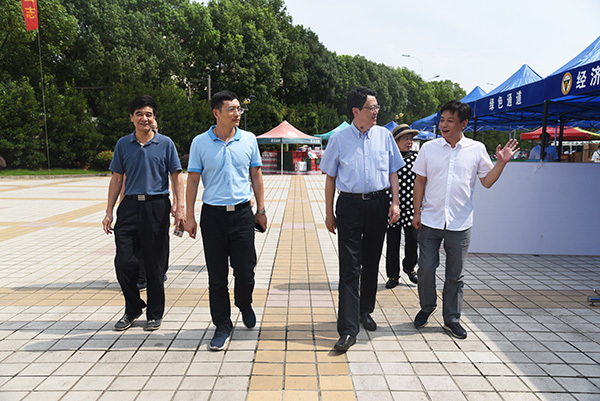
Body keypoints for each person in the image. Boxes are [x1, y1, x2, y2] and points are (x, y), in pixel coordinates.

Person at [411, 100, 518, 339]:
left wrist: (501, 163)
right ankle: (427, 306)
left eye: (450, 121)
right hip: (430, 219)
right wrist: (417, 212)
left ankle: (452, 318)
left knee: (455, 275)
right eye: (442, 120)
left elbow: (487, 181)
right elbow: (420, 181)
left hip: (460, 223)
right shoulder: (429, 148)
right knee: (426, 269)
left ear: (464, 124)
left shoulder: (476, 149)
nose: (444, 125)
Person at [320, 87, 404, 352]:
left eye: (377, 107)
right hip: (349, 206)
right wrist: (329, 212)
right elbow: (330, 177)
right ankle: (347, 329)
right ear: (356, 111)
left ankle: (365, 310)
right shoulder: (339, 139)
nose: (376, 111)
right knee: (349, 267)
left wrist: (395, 202)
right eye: (371, 107)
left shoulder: (384, 136)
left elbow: (393, 171)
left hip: (379, 204)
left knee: (371, 262)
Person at [184, 90, 267, 351]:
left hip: (242, 214)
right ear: (216, 113)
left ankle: (244, 303)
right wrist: (189, 216)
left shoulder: (248, 139)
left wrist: (261, 209)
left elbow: (256, 175)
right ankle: (222, 324)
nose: (237, 113)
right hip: (213, 216)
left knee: (246, 269)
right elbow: (193, 180)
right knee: (217, 275)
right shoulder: (200, 142)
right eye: (231, 109)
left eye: (239, 108)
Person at [102, 94, 185, 332]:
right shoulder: (123, 144)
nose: (144, 118)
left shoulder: (165, 143)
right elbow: (116, 179)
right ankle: (133, 307)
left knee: (154, 264)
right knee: (124, 262)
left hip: (156, 206)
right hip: (129, 207)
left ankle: (154, 313)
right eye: (139, 114)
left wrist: (179, 206)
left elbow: (176, 176)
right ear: (131, 117)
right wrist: (109, 211)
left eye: (148, 114)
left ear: (154, 117)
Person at [385, 124, 419, 289]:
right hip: (392, 206)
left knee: (413, 240)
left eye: (411, 139)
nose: (409, 142)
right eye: (406, 139)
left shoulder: (417, 158)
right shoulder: (389, 158)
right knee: (393, 242)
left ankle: (410, 267)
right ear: (396, 141)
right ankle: (393, 275)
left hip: (411, 206)